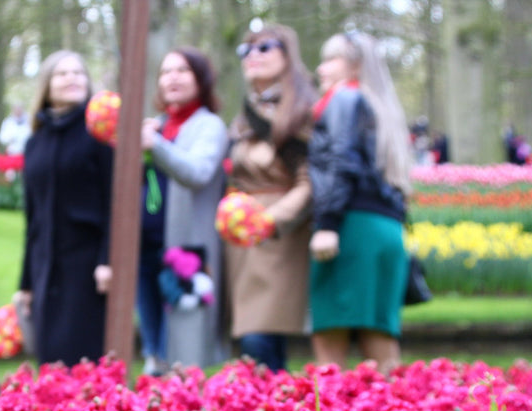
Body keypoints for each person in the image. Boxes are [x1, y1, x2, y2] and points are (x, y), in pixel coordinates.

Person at [307, 30, 414, 374]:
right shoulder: (381, 109)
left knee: (329, 347)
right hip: (384, 230)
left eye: (329, 60)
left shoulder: (344, 100)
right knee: (382, 346)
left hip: (350, 228)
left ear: (354, 66)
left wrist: (327, 224)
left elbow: (340, 161)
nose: (320, 69)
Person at [223, 24, 318, 372]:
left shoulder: (301, 108)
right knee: (252, 339)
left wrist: (271, 219)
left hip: (281, 235)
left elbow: (310, 181)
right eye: (246, 50)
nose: (253, 56)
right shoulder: (245, 114)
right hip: (241, 239)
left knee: (260, 335)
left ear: (288, 53)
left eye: (265, 48)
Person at [13, 50, 114, 367]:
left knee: (82, 356)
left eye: (78, 73)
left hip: (87, 266)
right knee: (50, 359)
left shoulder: (99, 135)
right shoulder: (35, 143)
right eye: (62, 73)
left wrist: (107, 261)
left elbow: (116, 203)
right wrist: (26, 283)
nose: (72, 78)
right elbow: (32, 217)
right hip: (46, 267)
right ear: (47, 86)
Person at [139, 46, 229, 373]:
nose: (172, 77)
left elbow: (197, 172)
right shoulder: (157, 125)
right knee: (154, 351)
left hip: (185, 254)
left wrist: (155, 145)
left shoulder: (209, 126)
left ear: (201, 80)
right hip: (146, 249)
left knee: (184, 351)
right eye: (165, 71)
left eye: (182, 70)